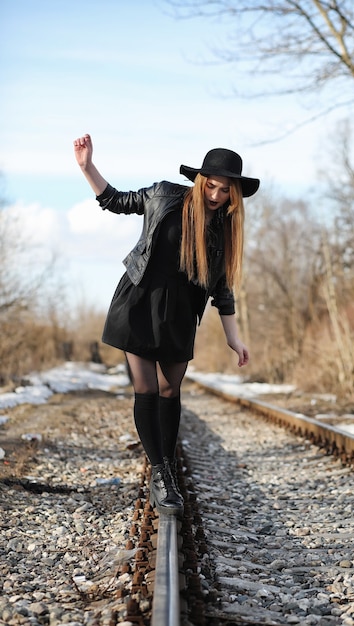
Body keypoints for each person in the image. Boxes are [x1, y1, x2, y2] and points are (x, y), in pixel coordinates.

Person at [73, 133, 260, 517]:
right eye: (211, 186)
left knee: (170, 390)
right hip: (139, 300)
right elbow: (115, 201)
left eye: (225, 191)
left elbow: (222, 288)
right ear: (200, 180)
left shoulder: (224, 229)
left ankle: (167, 468)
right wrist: (87, 167)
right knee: (145, 386)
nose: (215, 195)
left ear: (233, 195)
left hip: (179, 313)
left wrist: (234, 337)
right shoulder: (164, 196)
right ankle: (161, 474)